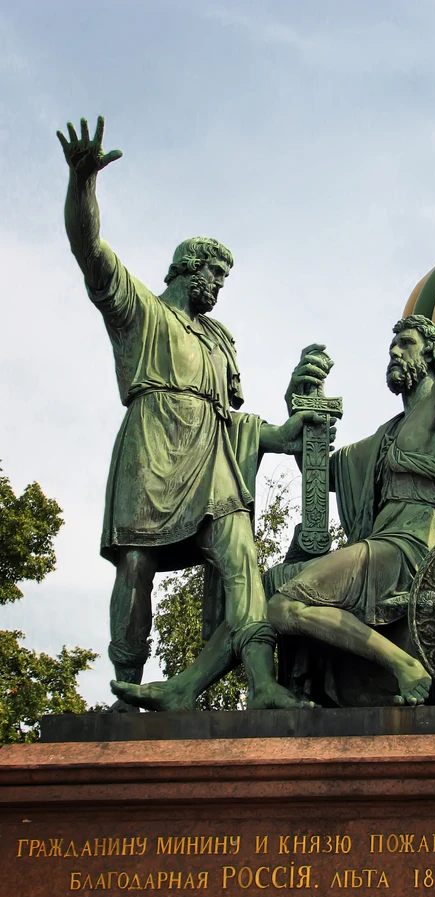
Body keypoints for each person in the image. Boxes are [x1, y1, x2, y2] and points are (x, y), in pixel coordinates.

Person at [116, 314, 435, 710]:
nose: (395, 352)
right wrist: (300, 408)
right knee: (266, 586)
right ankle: (186, 688)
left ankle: (406, 666)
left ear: (431, 353)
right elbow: (322, 473)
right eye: (392, 346)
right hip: (384, 546)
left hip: (418, 548)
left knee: (284, 606)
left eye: (406, 344)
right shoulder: (388, 434)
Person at [57, 116, 324, 710]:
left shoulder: (220, 339)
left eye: (224, 278)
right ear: (184, 269)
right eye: (213, 274)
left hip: (214, 463)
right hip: (152, 451)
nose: (219, 286)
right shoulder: (142, 313)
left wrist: (283, 431)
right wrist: (83, 183)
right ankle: (128, 684)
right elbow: (90, 251)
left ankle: (263, 685)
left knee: (242, 562)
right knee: (136, 564)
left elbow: (236, 423)